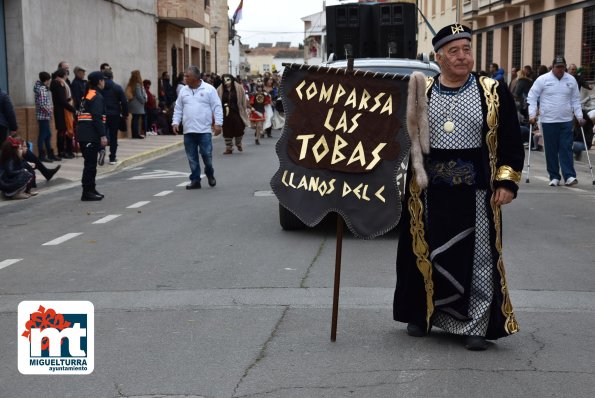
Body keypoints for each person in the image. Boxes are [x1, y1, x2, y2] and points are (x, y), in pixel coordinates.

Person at [394, 23, 525, 351]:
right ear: (438, 57)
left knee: (479, 257)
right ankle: (422, 314)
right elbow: (396, 136)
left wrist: (506, 182)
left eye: (467, 49)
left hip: (478, 191)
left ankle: (476, 324)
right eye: (454, 51)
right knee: (423, 253)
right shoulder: (420, 90)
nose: (463, 57)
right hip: (427, 191)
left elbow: (510, 139)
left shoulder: (492, 91)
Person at [527, 56, 585, 186]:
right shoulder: (543, 80)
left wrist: (579, 116)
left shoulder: (571, 80)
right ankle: (554, 176)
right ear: (552, 67)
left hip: (566, 120)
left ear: (565, 67)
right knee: (551, 149)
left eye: (562, 67)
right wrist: (532, 115)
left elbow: (575, 100)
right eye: (557, 67)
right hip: (548, 120)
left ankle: (569, 176)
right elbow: (532, 97)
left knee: (566, 147)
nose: (560, 69)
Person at [172, 66, 222, 190]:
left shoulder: (209, 89)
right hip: (188, 130)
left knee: (206, 155)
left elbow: (217, 107)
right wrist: (175, 122)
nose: (184, 78)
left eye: (187, 76)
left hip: (204, 130)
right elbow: (178, 108)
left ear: (195, 78)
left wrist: (218, 124)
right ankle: (195, 180)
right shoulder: (183, 90)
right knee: (192, 157)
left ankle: (209, 173)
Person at [76, 71, 108, 201]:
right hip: (90, 135)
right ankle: (87, 192)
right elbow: (96, 117)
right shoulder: (96, 96)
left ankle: (91, 189)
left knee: (90, 164)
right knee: (90, 165)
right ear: (100, 81)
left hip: (85, 134)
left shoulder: (89, 94)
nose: (104, 82)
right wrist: (103, 135)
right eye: (103, 80)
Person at [217, 73, 249, 154]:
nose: (226, 82)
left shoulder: (239, 88)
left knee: (239, 128)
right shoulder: (220, 89)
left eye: (228, 80)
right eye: (224, 80)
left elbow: (243, 100)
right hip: (225, 113)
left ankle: (238, 143)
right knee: (227, 129)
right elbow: (217, 101)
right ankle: (229, 147)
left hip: (237, 111)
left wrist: (244, 109)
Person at [101, 70, 128, 165]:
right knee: (113, 136)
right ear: (112, 77)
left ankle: (101, 152)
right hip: (114, 115)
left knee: (102, 134)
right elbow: (124, 102)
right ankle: (112, 158)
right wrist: (125, 114)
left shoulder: (99, 88)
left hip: (102, 115)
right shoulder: (117, 87)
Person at [50, 68, 76, 159]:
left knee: (63, 131)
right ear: (63, 75)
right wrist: (73, 109)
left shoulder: (59, 83)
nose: (66, 76)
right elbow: (62, 100)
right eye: (66, 74)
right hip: (61, 111)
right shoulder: (58, 84)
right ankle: (61, 151)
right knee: (62, 131)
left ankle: (64, 151)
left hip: (63, 110)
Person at [33, 72, 56, 162]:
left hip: (43, 116)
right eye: (49, 80)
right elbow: (42, 104)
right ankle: (42, 156)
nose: (49, 82)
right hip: (43, 116)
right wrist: (50, 112)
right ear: (46, 80)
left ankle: (49, 154)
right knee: (43, 136)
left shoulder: (41, 88)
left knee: (48, 135)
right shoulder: (42, 89)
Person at [125, 70, 147, 139]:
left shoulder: (131, 84)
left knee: (134, 119)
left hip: (132, 104)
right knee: (136, 119)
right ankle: (136, 134)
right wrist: (144, 101)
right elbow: (139, 95)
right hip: (137, 104)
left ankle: (134, 134)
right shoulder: (138, 84)